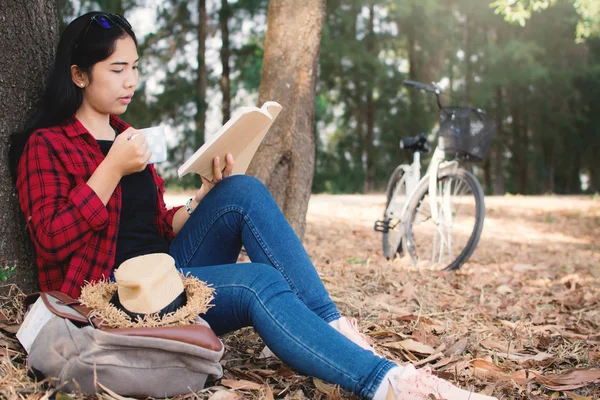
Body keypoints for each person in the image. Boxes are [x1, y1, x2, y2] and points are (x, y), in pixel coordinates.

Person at [8, 12, 496, 400]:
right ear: (77, 74)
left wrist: (203, 195)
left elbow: (158, 225)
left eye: (134, 67)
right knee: (258, 282)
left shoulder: (126, 137)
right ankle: (386, 384)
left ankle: (333, 327)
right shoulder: (47, 145)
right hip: (111, 298)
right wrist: (110, 168)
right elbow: (51, 238)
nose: (130, 81)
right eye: (116, 70)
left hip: (165, 274)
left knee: (241, 190)